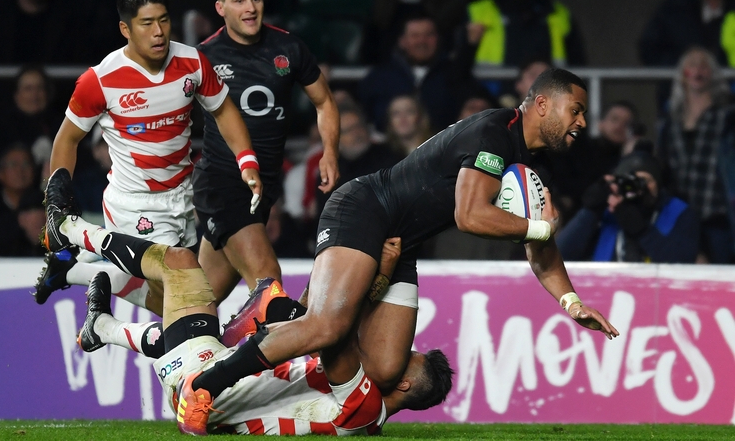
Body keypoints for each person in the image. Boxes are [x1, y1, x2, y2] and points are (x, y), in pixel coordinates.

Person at [172, 68, 620, 433]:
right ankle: (208, 385)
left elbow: (539, 246)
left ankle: (285, 318)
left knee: (386, 369)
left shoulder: (521, 160)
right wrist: (541, 226)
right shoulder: (495, 132)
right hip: (364, 210)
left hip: (400, 242)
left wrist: (571, 300)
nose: (582, 121)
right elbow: (470, 215)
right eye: (575, 110)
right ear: (542, 103)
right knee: (326, 325)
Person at [41, 169, 452, 436]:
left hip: (203, 391)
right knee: (199, 313)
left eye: (404, 357)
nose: (393, 350)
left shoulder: (362, 409)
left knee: (180, 263)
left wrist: (376, 276)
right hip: (211, 373)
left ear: (402, 383)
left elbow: (331, 332)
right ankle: (96, 318)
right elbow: (319, 316)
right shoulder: (356, 397)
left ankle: (67, 227)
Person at [35, 0, 262, 311]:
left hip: (183, 197)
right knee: (186, 304)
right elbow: (67, 139)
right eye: (147, 23)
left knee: (172, 302)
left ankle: (78, 270)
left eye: (164, 20)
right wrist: (56, 197)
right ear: (125, 29)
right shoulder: (99, 80)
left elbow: (223, 111)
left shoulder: (193, 62)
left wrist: (247, 161)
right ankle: (84, 268)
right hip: (133, 203)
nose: (158, 31)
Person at [193, 0, 339, 304]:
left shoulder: (289, 47)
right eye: (239, 0)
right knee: (267, 279)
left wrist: (329, 152)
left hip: (263, 189)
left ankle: (125, 326)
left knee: (197, 303)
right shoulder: (203, 56)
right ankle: (275, 353)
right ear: (220, 8)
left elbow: (325, 101)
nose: (250, 8)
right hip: (221, 182)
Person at [655, 46, 735, 263]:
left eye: (704, 65)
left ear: (712, 74)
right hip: (683, 216)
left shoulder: (727, 115)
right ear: (683, 75)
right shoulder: (671, 120)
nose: (698, 70)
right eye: (692, 65)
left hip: (719, 215)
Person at [557, 149, 700, 263]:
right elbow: (560, 256)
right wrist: (589, 211)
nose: (637, 188)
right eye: (629, 181)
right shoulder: (607, 212)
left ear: (658, 185)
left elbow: (683, 263)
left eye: (644, 180)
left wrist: (642, 232)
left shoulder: (679, 212)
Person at [359, 14, 473, 132]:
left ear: (438, 39)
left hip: (444, 146)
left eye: (429, 35)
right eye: (415, 35)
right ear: (402, 41)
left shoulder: (455, 73)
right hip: (390, 148)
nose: (422, 41)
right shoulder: (379, 78)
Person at [464, 0, 586, 68]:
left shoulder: (559, 14)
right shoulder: (476, 11)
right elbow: (455, 71)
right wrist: (467, 45)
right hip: (490, 99)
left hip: (548, 101)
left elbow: (579, 68)